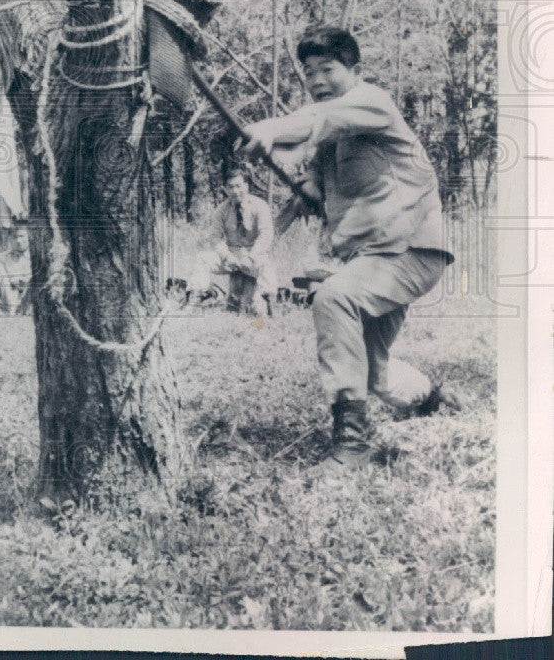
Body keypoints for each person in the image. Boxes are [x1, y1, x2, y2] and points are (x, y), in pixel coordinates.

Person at [240, 25, 461, 470]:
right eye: (308, 73)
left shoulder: (372, 102)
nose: (317, 80)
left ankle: (353, 445)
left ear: (354, 71)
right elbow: (316, 168)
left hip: (410, 249)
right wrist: (308, 190)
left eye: (328, 68)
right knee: (374, 372)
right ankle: (436, 401)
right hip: (373, 260)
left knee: (334, 296)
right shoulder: (328, 147)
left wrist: (268, 126)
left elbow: (318, 119)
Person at [191, 166, 276, 317]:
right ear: (225, 189)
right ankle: (195, 300)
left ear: (246, 186)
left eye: (238, 186)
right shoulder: (221, 210)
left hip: (252, 254)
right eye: (230, 187)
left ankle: (270, 306)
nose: (235, 191)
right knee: (202, 258)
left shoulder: (260, 206)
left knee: (267, 264)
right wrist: (226, 256)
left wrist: (251, 256)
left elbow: (266, 236)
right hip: (230, 254)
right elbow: (215, 237)